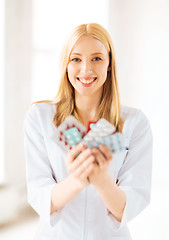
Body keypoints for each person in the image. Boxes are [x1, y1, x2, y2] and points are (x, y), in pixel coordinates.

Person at [24, 23, 153, 240]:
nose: (86, 69)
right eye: (76, 59)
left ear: (109, 63)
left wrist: (102, 180)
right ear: (65, 63)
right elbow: (39, 195)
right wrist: (78, 179)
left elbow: (127, 207)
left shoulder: (134, 123)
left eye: (96, 58)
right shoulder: (40, 117)